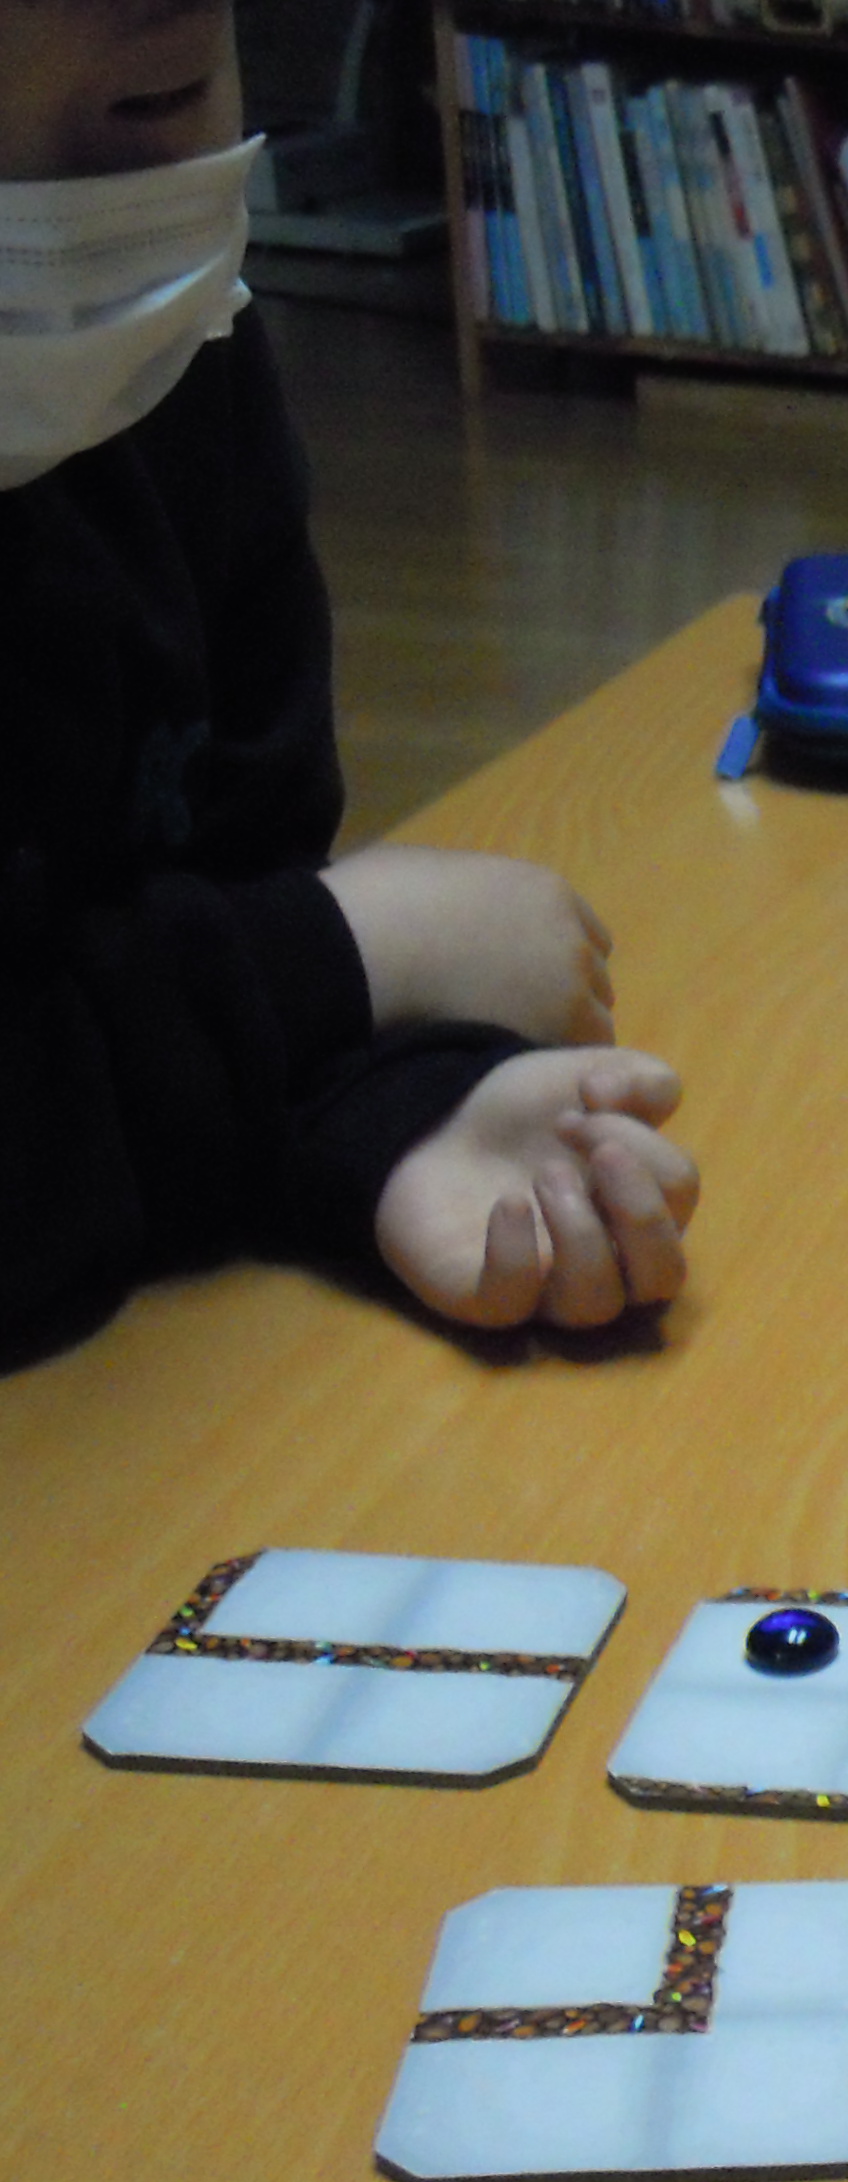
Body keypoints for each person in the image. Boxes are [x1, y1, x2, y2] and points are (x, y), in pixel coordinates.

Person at [1, 0, 697, 1371]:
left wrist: (391, 1119)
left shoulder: (170, 364)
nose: (65, 230)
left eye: (159, 102)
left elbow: (216, 919)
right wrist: (360, 950)